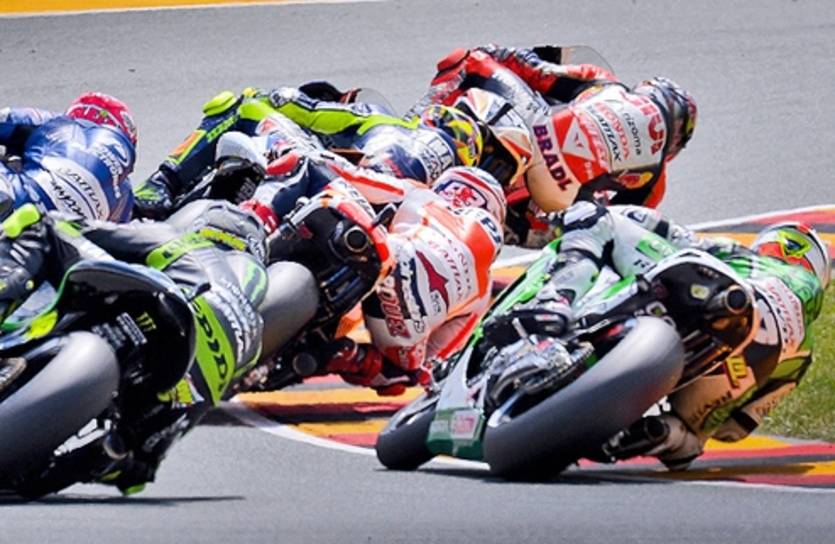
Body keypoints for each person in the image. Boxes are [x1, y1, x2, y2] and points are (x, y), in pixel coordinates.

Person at [484, 200, 829, 469]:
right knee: (690, 443)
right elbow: (735, 430)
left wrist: (572, 216)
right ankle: (663, 434)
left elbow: (662, 229)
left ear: (770, 246)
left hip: (714, 288)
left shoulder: (743, 256)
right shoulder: (804, 354)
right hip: (746, 365)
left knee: (596, 218)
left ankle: (554, 304)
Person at [0, 198, 268, 494]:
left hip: (148, 304)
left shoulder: (183, 241)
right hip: (164, 391)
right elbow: (148, 463)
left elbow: (75, 228)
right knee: (128, 460)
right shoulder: (251, 334)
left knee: (38, 223)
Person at [410, 44, 697, 244]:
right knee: (588, 226)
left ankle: (409, 129)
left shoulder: (605, 83)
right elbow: (622, 228)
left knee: (470, 59)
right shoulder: (654, 178)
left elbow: (537, 70)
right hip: (554, 201)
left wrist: (497, 54)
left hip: (537, 134)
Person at [134, 85, 483, 219]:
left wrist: (278, 97)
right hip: (366, 226)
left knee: (242, 105)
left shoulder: (386, 122)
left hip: (322, 173)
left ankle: (161, 184)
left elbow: (307, 111)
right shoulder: (448, 200)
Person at [322, 165, 506, 396]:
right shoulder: (484, 289)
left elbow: (354, 177)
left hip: (385, 255)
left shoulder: (422, 194)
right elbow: (439, 356)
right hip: (403, 322)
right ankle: (347, 356)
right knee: (401, 376)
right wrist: (418, 367)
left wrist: (313, 157)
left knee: (331, 203)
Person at [0, 92, 137, 222]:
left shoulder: (57, 121)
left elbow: (6, 117)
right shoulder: (126, 194)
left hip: (21, 198)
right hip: (60, 234)